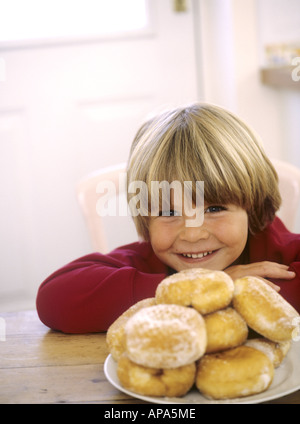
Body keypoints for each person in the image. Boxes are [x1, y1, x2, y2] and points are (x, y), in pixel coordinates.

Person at [36, 103, 300, 333]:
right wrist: (201, 288)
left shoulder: (282, 255)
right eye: (168, 213)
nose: (192, 233)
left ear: (253, 207)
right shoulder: (146, 261)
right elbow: (54, 300)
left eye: (214, 209)